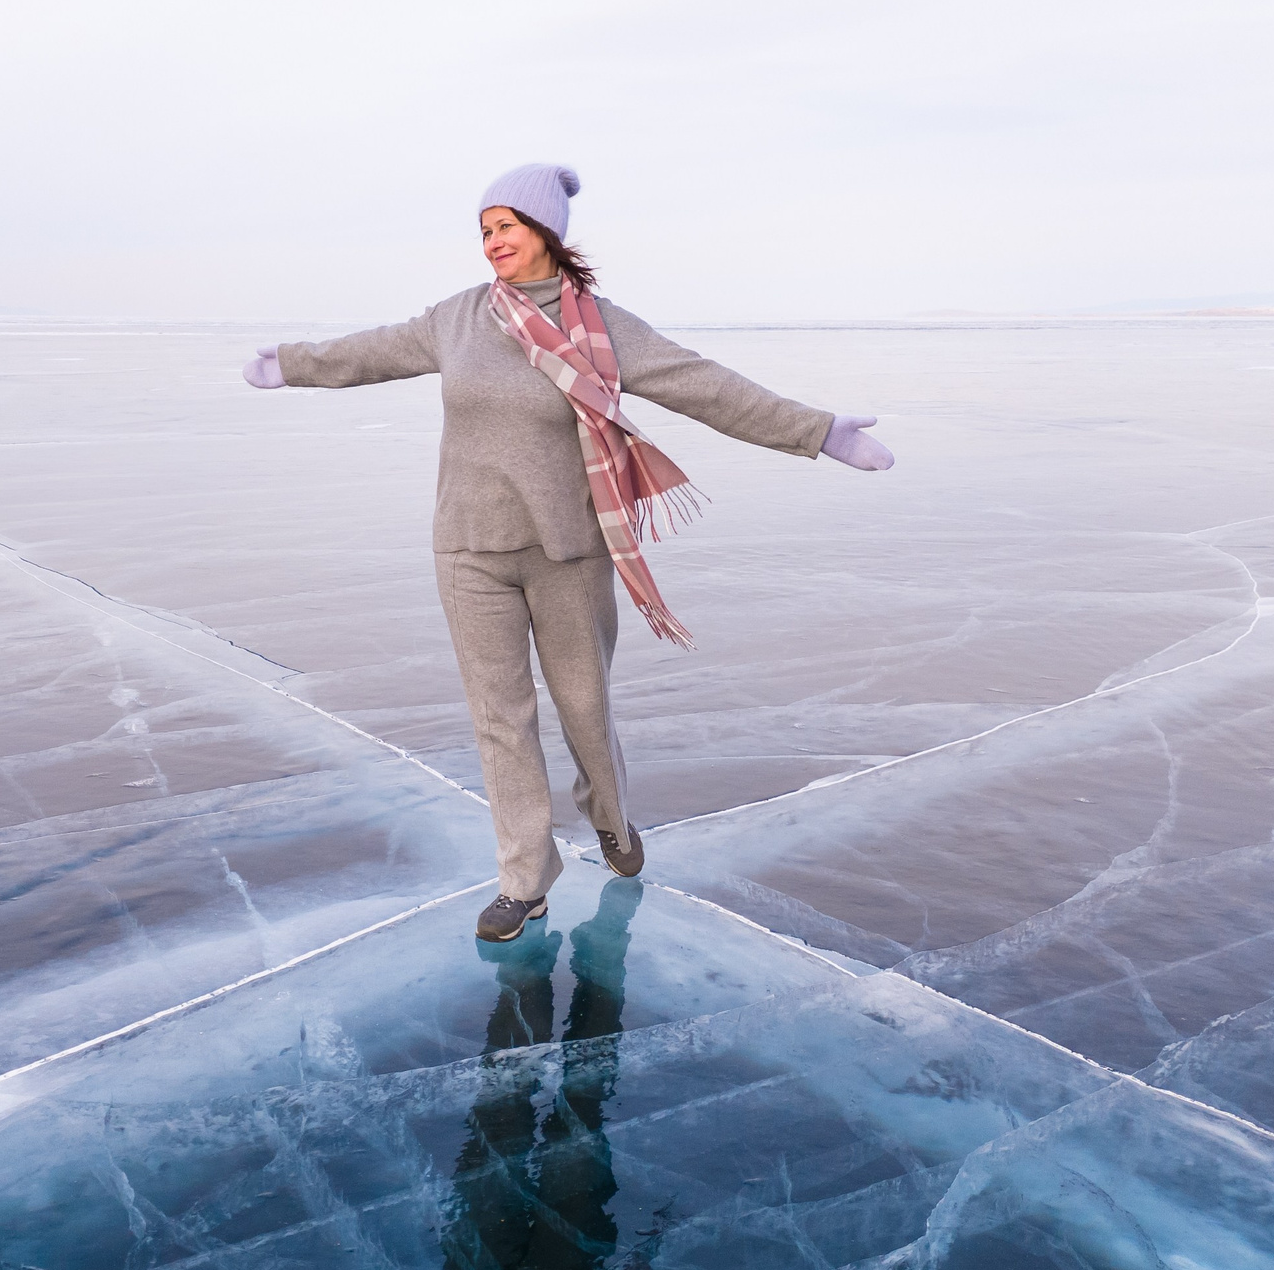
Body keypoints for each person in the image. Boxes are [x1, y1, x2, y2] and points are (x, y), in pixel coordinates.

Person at [242, 163, 892, 942]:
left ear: (546, 231)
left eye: (505, 227)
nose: (491, 244)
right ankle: (525, 880)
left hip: (569, 552)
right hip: (470, 549)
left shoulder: (607, 330)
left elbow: (704, 385)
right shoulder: (456, 319)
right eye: (483, 231)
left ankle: (610, 819)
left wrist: (817, 431)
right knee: (500, 719)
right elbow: (369, 352)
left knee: (584, 707)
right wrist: (291, 363)